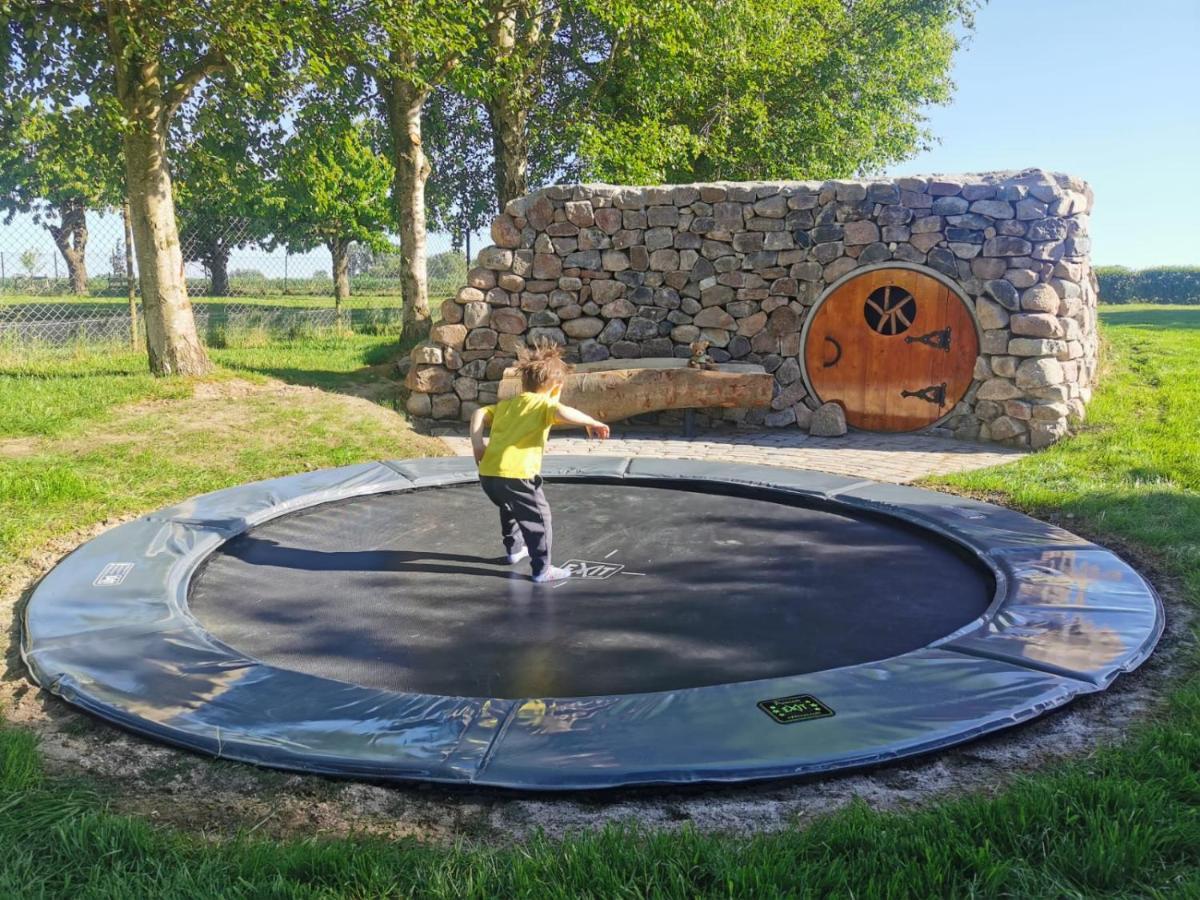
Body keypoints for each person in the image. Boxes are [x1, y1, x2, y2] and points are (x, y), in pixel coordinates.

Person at [470, 341, 611, 583]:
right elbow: (563, 412)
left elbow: (479, 413)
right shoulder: (545, 404)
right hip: (518, 475)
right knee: (539, 518)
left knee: (508, 508)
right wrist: (592, 422)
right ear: (556, 386)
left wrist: (477, 445)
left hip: (489, 474)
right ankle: (542, 569)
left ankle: (514, 550)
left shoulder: (506, 405)